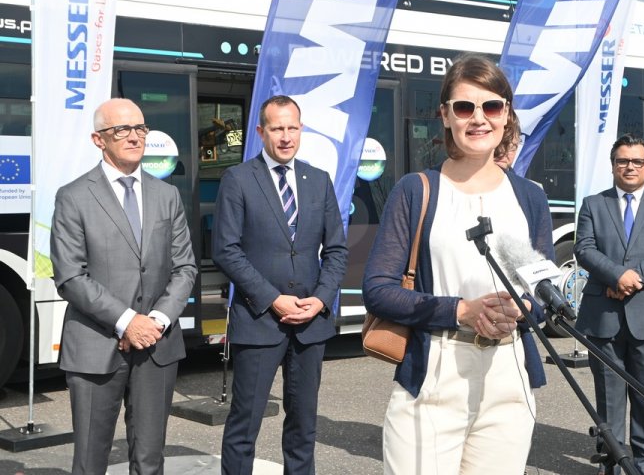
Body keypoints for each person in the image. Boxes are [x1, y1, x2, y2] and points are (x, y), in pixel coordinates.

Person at [363, 54, 553, 475]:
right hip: (436, 372)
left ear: (506, 115)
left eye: (492, 106)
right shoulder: (417, 190)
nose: (479, 118)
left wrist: (521, 312)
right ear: (446, 116)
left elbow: (542, 293)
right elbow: (377, 288)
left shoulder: (529, 198)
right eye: (465, 107)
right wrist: (461, 311)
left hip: (509, 376)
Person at [50, 98, 197, 475]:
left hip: (157, 347)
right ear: (99, 139)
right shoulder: (73, 196)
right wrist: (128, 321)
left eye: (140, 128)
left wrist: (156, 322)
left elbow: (185, 268)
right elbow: (70, 276)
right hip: (95, 347)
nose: (135, 137)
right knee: (90, 460)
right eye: (122, 130)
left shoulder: (167, 195)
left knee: (150, 460)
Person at [214, 95, 348, 475]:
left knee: (304, 426)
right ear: (261, 132)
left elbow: (336, 249)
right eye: (277, 128)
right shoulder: (238, 179)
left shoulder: (318, 181)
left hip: (311, 324)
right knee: (245, 424)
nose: (286, 137)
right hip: (259, 323)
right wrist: (273, 299)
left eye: (292, 127)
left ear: (301, 129)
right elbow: (226, 250)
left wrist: (321, 300)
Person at [574, 134, 644, 475]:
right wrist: (616, 276)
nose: (630, 167)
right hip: (602, 317)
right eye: (623, 161)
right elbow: (584, 248)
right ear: (613, 166)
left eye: (637, 161)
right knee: (608, 399)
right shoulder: (593, 204)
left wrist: (633, 278)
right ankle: (612, 464)